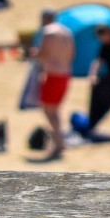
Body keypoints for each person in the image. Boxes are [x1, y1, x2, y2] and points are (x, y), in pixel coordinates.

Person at [34, 9, 75, 162]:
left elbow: (43, 53)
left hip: (52, 74)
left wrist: (33, 53)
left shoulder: (48, 32)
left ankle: (59, 142)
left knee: (49, 110)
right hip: (65, 74)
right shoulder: (67, 32)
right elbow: (72, 54)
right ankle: (60, 141)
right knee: (55, 110)